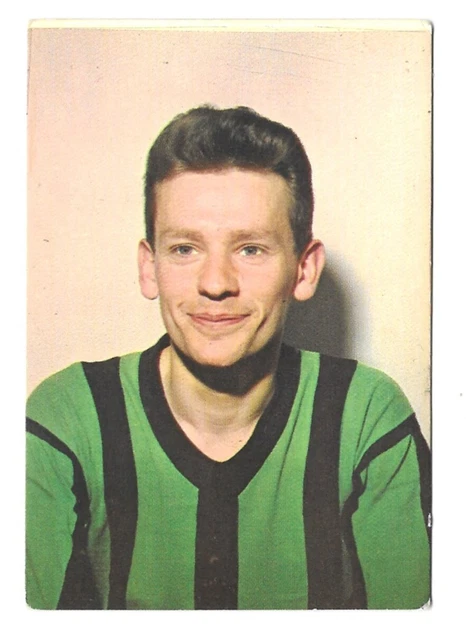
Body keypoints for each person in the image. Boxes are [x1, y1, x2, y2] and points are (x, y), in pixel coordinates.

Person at [26, 105, 431, 610]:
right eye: (184, 249)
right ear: (150, 268)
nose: (215, 283)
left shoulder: (367, 416)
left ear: (304, 270)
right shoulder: (67, 419)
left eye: (250, 249)